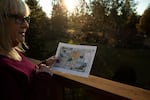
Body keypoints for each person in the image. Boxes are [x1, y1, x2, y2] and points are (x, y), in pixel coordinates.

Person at [0, 0, 58, 100]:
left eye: (26, 19)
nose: (26, 25)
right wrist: (43, 77)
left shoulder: (12, 51)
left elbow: (24, 76)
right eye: (18, 18)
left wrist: (44, 65)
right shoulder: (2, 68)